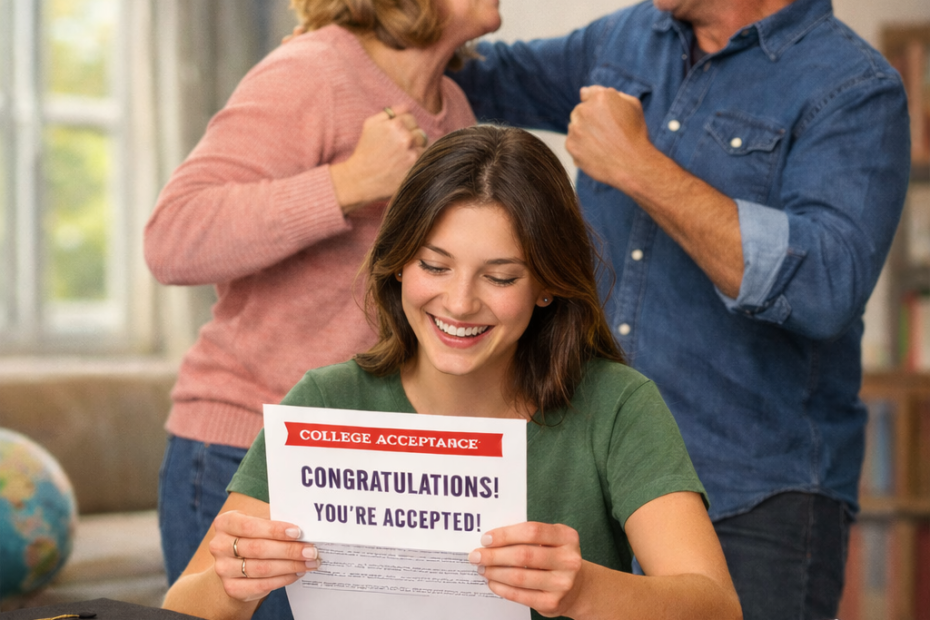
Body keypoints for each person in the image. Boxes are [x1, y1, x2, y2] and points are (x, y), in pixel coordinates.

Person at [161, 125, 743, 620]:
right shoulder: (326, 400)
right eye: (434, 266)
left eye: (501, 277)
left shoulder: (615, 405)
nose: (460, 304)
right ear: (398, 264)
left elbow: (716, 605)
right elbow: (183, 603)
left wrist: (586, 590)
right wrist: (234, 584)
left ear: (546, 285)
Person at [449, 1, 911, 618]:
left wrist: (638, 167)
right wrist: (427, 20)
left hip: (753, 497)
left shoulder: (853, 87)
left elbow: (824, 286)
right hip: (602, 476)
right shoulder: (632, 36)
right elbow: (484, 77)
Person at [143, 0, 500, 599]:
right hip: (244, 453)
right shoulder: (313, 72)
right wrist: (350, 183)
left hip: (367, 470)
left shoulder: (453, 107)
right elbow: (171, 237)